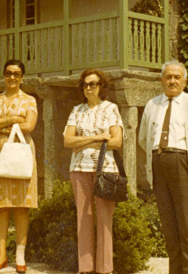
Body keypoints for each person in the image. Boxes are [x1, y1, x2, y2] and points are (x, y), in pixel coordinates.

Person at [138, 60, 188, 274]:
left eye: (177, 77)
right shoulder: (152, 105)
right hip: (158, 166)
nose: (172, 81)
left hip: (183, 165)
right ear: (161, 80)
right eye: (168, 77)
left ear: (184, 82)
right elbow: (143, 139)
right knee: (169, 228)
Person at [63, 68, 124, 274]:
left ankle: (105, 270)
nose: (88, 88)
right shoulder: (76, 110)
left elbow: (116, 141)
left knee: (105, 219)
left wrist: (82, 142)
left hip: (105, 170)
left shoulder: (111, 109)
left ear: (101, 87)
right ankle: (86, 269)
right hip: (79, 168)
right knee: (83, 218)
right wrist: (98, 138)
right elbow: (67, 141)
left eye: (93, 84)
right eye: (85, 84)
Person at [0, 59, 38, 274]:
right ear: (3, 75)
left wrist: (1, 123)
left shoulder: (29, 100)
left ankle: (20, 255)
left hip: (22, 155)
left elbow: (29, 125)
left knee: (22, 206)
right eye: (8, 73)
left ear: (22, 77)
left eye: (16, 74)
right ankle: (1, 255)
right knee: (1, 206)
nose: (12, 77)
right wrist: (13, 119)